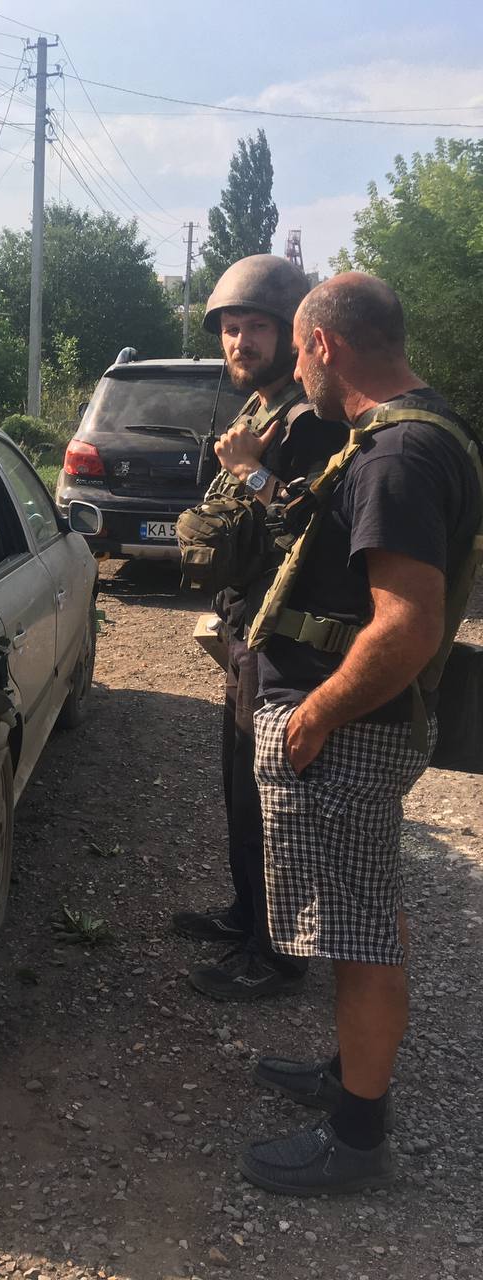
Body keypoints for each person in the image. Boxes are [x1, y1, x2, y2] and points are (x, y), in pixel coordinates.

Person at [228, 273, 482, 1194]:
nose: (299, 370)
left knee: (365, 932)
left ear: (325, 345)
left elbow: (406, 623)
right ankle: (349, 1076)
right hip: (362, 729)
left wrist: (314, 716)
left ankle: (358, 1137)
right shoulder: (418, 430)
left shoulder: (396, 456)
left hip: (350, 733)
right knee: (357, 916)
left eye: (299, 351)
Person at [172, 255, 348, 1001]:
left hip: (287, 644)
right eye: (230, 330)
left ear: (292, 335)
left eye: (254, 329)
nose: (238, 343)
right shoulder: (258, 411)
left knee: (271, 799)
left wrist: (248, 473)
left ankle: (278, 955)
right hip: (246, 632)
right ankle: (248, 912)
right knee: (239, 788)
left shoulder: (310, 423)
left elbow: (320, 531)